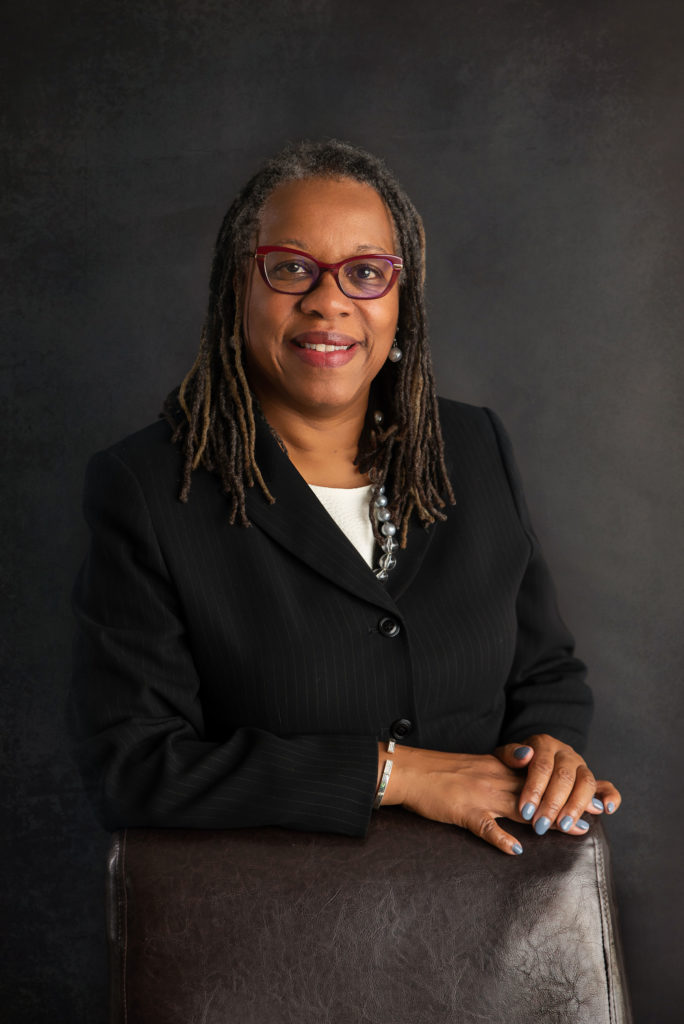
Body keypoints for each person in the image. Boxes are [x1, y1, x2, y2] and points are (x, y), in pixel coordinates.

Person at [70, 139, 621, 857]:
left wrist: (549, 752)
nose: (329, 300)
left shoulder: (472, 446)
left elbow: (545, 671)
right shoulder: (150, 486)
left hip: (492, 914)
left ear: (401, 301)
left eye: (365, 272)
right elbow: (133, 768)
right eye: (292, 268)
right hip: (278, 932)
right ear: (239, 289)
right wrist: (393, 775)